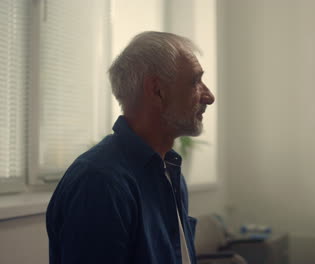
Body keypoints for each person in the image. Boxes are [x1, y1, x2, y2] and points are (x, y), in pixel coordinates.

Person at [46, 31, 215, 264]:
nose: (209, 96)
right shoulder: (100, 182)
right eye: (195, 81)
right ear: (157, 90)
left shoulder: (169, 171)